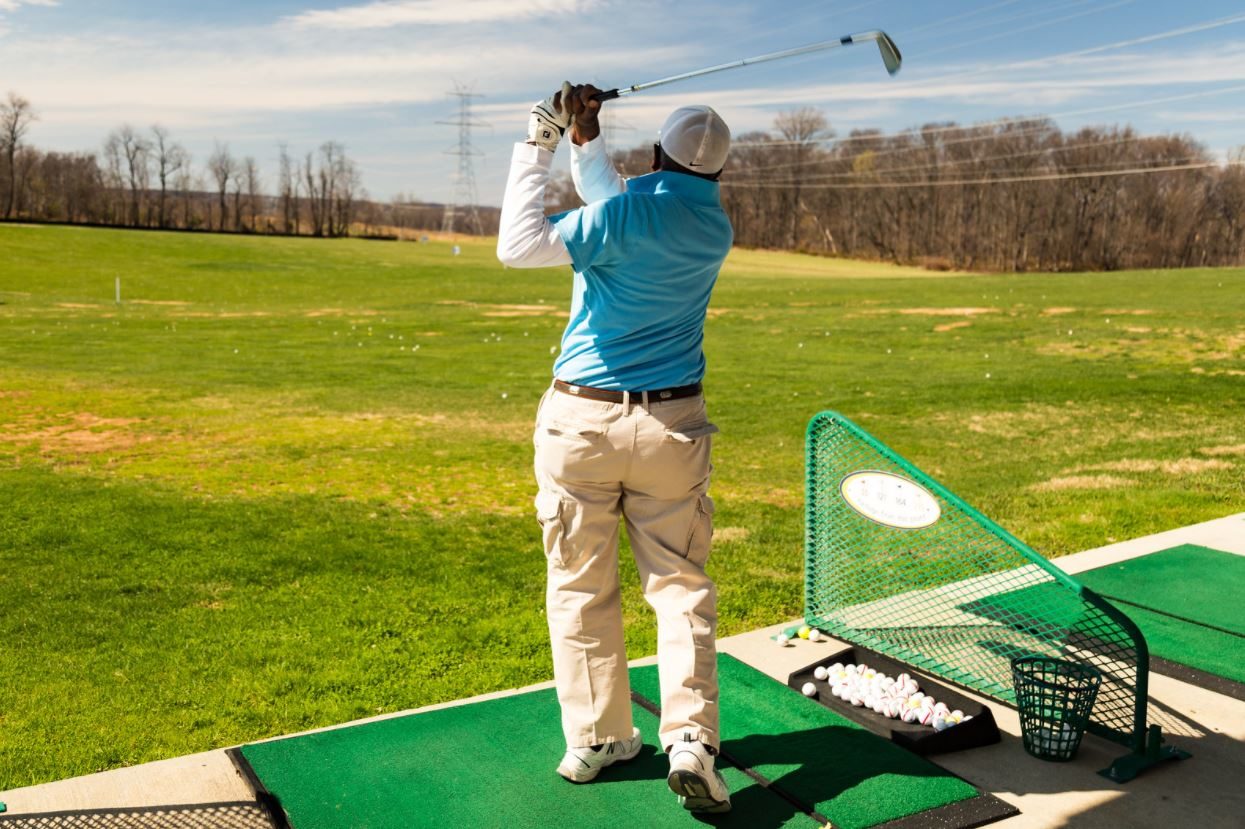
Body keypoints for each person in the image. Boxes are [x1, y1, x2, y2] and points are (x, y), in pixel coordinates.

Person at [497, 82, 734, 814]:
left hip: (582, 427)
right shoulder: (710, 224)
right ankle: (690, 738)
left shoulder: (622, 215)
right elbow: (610, 197)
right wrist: (585, 136)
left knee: (578, 585)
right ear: (715, 174)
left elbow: (519, 246)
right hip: (671, 430)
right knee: (679, 585)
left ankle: (598, 737)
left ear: (657, 153)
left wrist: (541, 138)